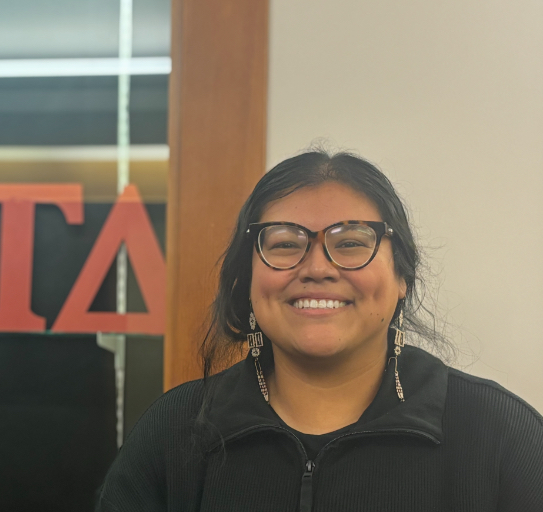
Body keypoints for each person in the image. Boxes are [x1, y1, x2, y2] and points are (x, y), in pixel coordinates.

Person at [95, 151, 543, 512]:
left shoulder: (501, 435)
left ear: (403, 276)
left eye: (350, 243)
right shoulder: (175, 431)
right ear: (246, 278)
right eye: (285, 244)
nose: (316, 268)